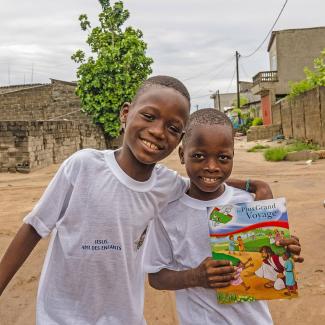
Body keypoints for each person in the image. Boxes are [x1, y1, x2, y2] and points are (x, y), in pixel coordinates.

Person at [0, 76, 274, 324]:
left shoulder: (166, 184)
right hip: (61, 316)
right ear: (126, 113)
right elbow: (34, 227)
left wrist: (255, 188)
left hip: (124, 318)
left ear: (179, 138)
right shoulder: (83, 166)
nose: (157, 131)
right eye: (149, 116)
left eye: (172, 127)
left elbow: (203, 180)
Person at [144, 108, 303, 325]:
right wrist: (196, 277)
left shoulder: (249, 202)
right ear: (182, 155)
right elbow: (156, 277)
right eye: (199, 156)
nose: (211, 167)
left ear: (233, 156)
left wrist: (285, 250)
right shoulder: (166, 213)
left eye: (223, 157)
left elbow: (270, 256)